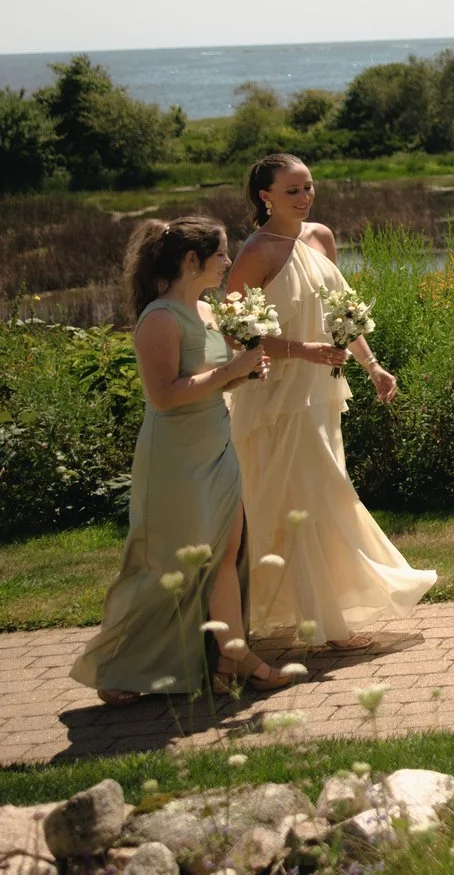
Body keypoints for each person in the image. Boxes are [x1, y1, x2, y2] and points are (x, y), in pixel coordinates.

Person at [224, 154, 435, 648]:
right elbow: (236, 334)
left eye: (308, 187)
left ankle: (321, 614)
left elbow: (342, 317)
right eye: (292, 190)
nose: (305, 198)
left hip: (322, 393)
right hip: (276, 398)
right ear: (265, 196)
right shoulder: (256, 251)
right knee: (309, 499)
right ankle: (326, 623)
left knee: (320, 496)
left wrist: (373, 365)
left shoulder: (321, 237)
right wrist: (301, 350)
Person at [72, 218, 285, 701]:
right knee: (172, 564)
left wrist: (245, 374)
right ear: (192, 260)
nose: (228, 262)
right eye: (221, 254)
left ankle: (233, 657)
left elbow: (211, 378)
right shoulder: (160, 319)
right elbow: (165, 396)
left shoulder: (207, 311)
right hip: (175, 456)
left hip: (216, 441)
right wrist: (231, 370)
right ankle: (117, 669)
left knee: (226, 553)